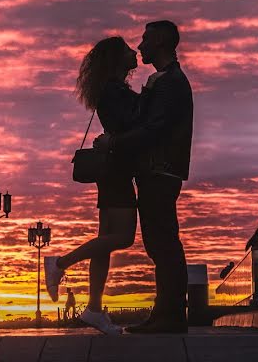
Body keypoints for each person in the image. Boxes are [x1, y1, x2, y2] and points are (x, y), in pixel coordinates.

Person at [95, 20, 193, 334]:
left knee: (163, 242)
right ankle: (165, 313)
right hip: (155, 171)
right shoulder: (161, 81)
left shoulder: (169, 82)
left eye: (146, 39)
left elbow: (154, 129)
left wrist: (114, 143)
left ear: (162, 41)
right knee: (159, 242)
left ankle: (171, 316)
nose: (140, 46)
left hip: (160, 171)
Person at [44, 36, 140, 336]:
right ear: (115, 59)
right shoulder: (113, 91)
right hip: (118, 169)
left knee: (106, 241)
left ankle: (94, 309)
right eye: (127, 49)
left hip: (113, 169)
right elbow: (130, 124)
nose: (134, 51)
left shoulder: (112, 89)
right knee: (122, 237)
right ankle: (61, 262)